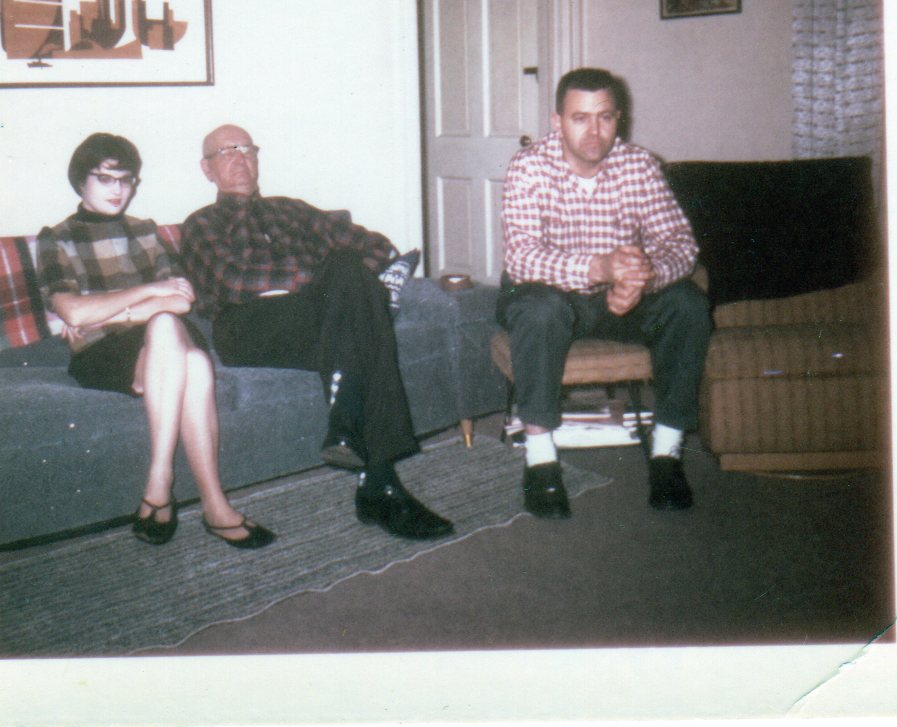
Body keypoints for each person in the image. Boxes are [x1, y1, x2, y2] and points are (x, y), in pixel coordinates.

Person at [179, 123, 453, 541]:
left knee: (349, 280)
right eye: (226, 152)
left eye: (247, 149)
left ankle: (365, 460)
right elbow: (233, 281)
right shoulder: (201, 224)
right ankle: (373, 475)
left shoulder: (294, 210)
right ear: (207, 169)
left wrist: (339, 281)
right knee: (352, 293)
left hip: (321, 317)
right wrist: (318, 280)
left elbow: (378, 248)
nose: (239, 158)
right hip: (248, 325)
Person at [37, 132, 273, 550]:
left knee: (167, 326)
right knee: (193, 363)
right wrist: (148, 291)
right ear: (80, 182)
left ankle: (161, 485)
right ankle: (211, 505)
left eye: (125, 180)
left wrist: (105, 312)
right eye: (105, 179)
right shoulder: (59, 238)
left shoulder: (145, 232)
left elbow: (180, 300)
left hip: (162, 335)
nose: (117, 189)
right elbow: (71, 311)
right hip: (104, 353)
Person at [497, 68, 712, 517]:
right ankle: (540, 461)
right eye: (580, 118)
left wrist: (643, 279)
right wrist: (600, 268)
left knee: (688, 303)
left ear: (619, 119)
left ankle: (666, 453)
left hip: (622, 298)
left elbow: (679, 244)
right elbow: (521, 256)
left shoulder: (640, 165)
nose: (594, 132)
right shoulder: (529, 166)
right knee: (539, 309)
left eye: (605, 117)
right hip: (551, 295)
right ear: (557, 122)